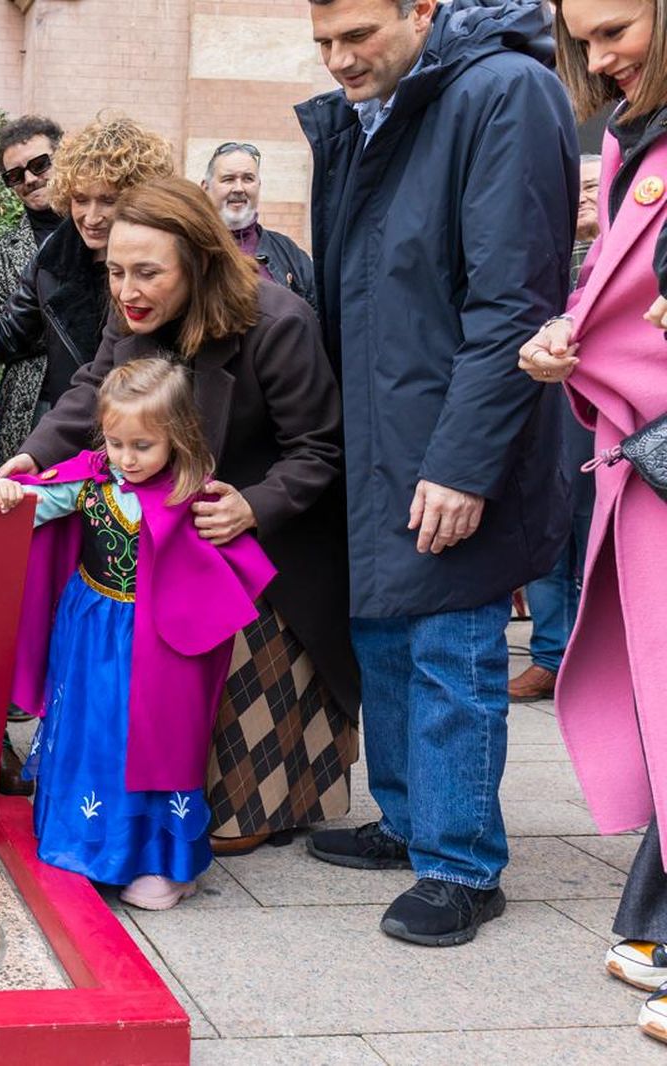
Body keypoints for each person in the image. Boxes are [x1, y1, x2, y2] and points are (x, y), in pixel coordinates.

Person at [296, 0, 576, 945]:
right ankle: (412, 822)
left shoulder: (506, 90)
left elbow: (513, 299)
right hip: (377, 423)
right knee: (383, 633)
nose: (338, 60)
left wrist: (463, 463)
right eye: (323, 42)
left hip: (458, 432)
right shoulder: (379, 105)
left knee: (452, 651)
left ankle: (462, 865)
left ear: (422, 10)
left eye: (356, 37)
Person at [0, 177, 360, 859]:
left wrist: (255, 505)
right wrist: (33, 455)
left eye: (146, 273)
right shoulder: (130, 312)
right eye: (114, 272)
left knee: (228, 825)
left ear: (196, 263)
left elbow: (319, 448)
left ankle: (278, 789)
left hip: (265, 547)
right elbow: (89, 394)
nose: (126, 290)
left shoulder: (277, 322)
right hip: (167, 536)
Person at [0, 359, 275, 910]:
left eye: (142, 445)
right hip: (89, 630)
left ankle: (160, 863)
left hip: (160, 644)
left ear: (177, 437)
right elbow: (35, 503)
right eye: (116, 442)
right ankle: (84, 846)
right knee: (90, 732)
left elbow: (231, 565)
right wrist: (10, 492)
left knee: (154, 741)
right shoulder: (89, 480)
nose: (126, 457)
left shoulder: (193, 495)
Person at [519, 0, 667, 1043]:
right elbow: (612, 291)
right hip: (644, 461)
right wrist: (565, 337)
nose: (597, 56)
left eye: (617, 28)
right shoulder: (628, 137)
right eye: (583, 36)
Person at [0, 116, 174, 467]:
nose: (91, 216)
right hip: (75, 434)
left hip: (154, 444)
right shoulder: (53, 259)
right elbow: (12, 329)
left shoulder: (174, 267)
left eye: (107, 200)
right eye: (80, 199)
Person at [511, 152, 601, 703]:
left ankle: (596, 660)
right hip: (547, 412)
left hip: (603, 417)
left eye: (598, 186)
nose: (587, 196)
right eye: (579, 188)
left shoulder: (627, 253)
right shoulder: (547, 255)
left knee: (595, 539)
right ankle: (550, 657)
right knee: (547, 536)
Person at [199, 141, 317, 313]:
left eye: (248, 179)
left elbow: (318, 313)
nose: (239, 188)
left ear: (258, 186)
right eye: (228, 179)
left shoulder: (287, 251)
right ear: (205, 188)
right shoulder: (190, 246)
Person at [0, 115, 64, 323]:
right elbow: (1, 334)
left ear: (62, 158)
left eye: (40, 164)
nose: (30, 180)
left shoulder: (98, 228)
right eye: (15, 175)